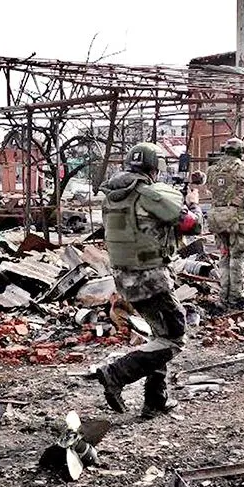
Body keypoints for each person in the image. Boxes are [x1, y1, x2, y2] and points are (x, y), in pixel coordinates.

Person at [93, 142, 203, 418]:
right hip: (150, 278)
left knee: (159, 334)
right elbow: (192, 225)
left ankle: (155, 399)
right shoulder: (150, 195)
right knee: (174, 338)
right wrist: (193, 203)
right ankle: (116, 374)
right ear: (155, 169)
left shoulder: (112, 196)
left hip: (124, 277)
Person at [205, 137, 244, 308]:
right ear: (241, 152)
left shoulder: (212, 170)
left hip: (217, 218)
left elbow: (210, 187)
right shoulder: (243, 169)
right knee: (237, 257)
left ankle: (224, 295)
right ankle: (235, 297)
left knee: (224, 256)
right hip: (236, 219)